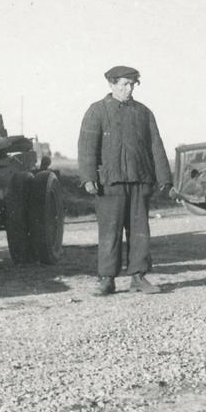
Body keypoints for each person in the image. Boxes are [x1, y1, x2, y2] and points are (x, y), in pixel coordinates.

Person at [78, 65, 173, 296]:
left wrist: (164, 179)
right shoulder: (97, 111)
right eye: (124, 84)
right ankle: (107, 279)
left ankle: (138, 277)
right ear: (111, 85)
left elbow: (156, 146)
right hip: (110, 183)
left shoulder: (143, 112)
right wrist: (89, 177)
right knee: (109, 232)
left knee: (140, 231)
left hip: (140, 180)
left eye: (132, 84)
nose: (129, 89)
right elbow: (87, 147)